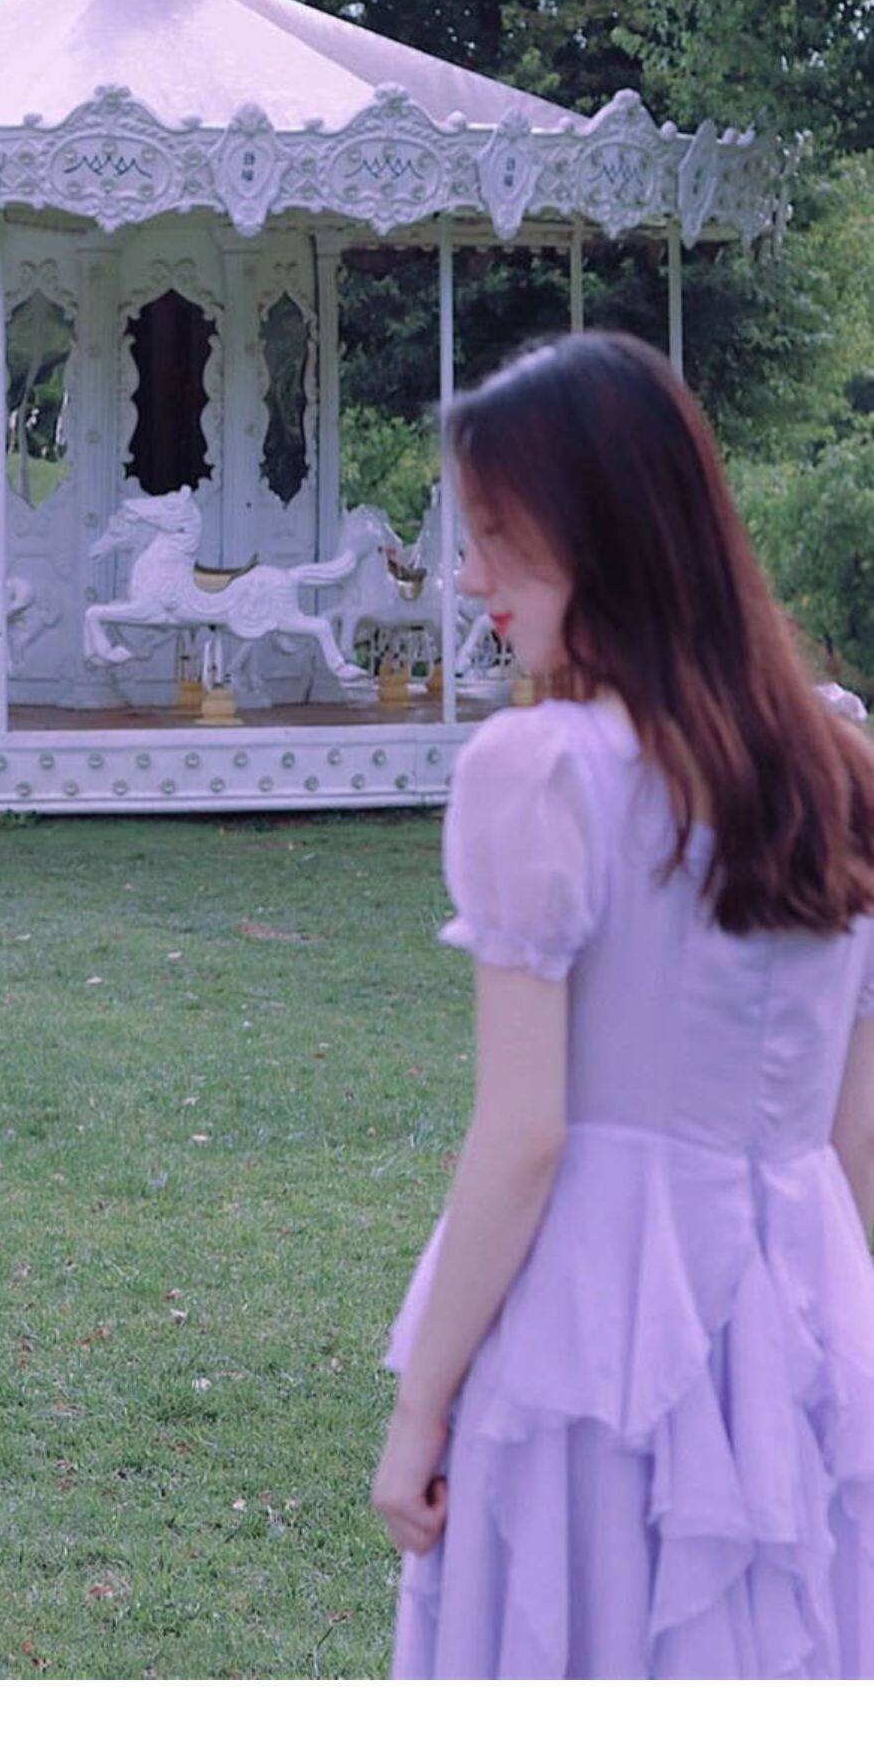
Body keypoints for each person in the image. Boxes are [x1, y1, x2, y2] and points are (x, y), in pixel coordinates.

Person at [370, 331, 874, 1679]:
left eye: (496, 533)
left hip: (589, 1330)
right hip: (808, 1327)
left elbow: (526, 1135)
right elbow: (854, 1135)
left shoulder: (540, 770)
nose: (469, 573)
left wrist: (420, 1409)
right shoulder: (840, 769)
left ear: (601, 530)